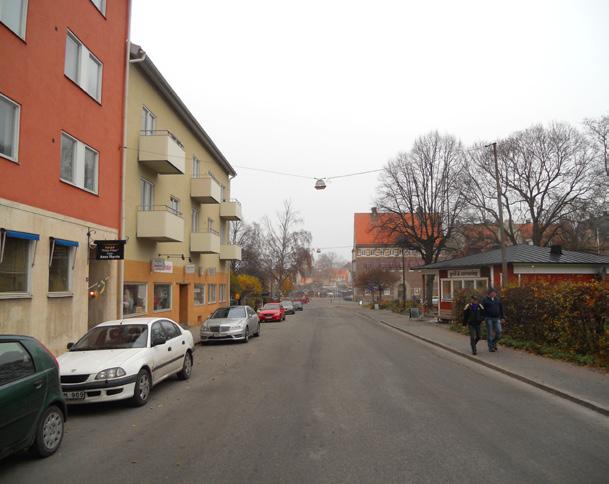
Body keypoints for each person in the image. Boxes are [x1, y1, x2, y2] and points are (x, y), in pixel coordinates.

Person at [482, 288, 504, 352]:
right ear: (490, 293)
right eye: (494, 293)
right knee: (490, 333)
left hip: (497, 318)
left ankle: (494, 343)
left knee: (499, 331)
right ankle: (491, 347)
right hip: (489, 318)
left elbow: (501, 309)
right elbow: (482, 310)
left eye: (495, 293)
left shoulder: (497, 300)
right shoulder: (485, 300)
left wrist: (502, 317)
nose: (495, 294)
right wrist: (483, 318)